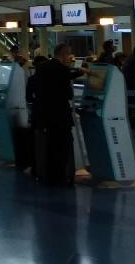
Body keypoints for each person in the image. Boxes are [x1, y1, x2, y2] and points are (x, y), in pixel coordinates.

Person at [27, 43, 85, 186]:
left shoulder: (42, 68)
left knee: (49, 145)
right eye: (69, 54)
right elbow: (68, 94)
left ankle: (49, 174)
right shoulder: (63, 70)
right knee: (62, 146)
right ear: (64, 54)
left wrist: (76, 73)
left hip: (44, 115)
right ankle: (61, 176)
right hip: (60, 115)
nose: (70, 58)